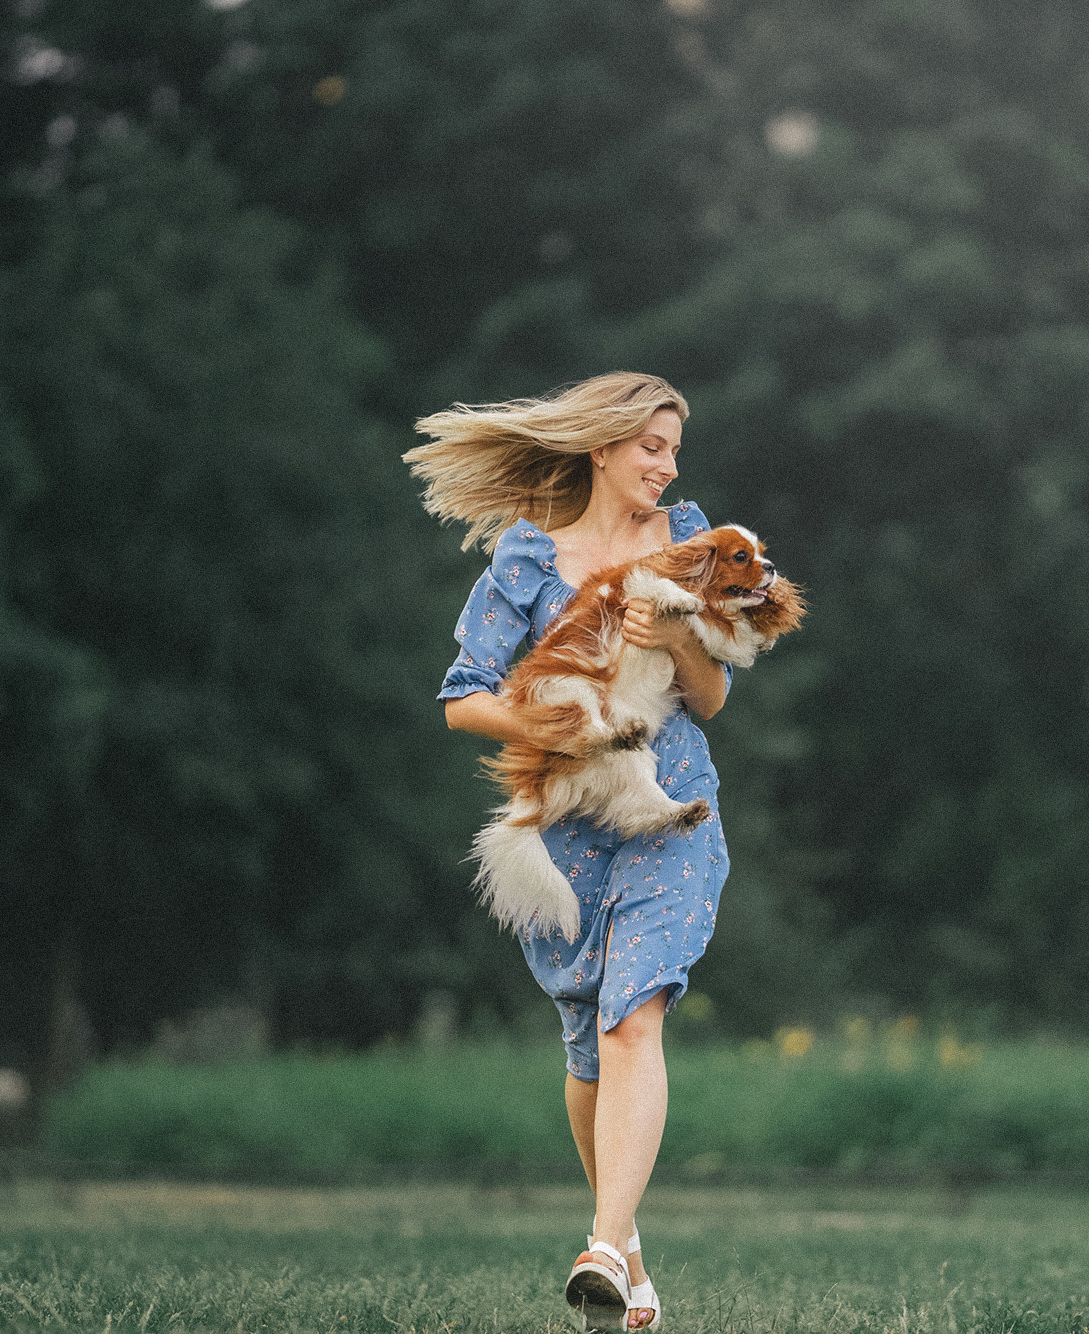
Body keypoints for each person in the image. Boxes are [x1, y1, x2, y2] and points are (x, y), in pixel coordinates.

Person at [408, 372, 735, 1332]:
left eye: (674, 450)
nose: (667, 467)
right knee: (591, 1044)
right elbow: (464, 694)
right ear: (602, 449)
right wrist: (567, 726)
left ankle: (596, 1244)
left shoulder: (688, 542)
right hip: (567, 819)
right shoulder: (528, 558)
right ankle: (627, 1255)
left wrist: (677, 635)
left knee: (639, 1014)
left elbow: (712, 697)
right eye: (651, 448)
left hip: (672, 807)